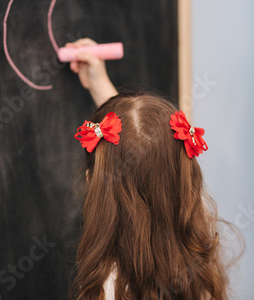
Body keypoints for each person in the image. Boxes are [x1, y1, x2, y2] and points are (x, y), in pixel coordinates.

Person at [66, 39, 234, 300]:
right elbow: (147, 157)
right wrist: (99, 85)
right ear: (185, 179)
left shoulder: (109, 288)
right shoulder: (197, 273)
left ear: (92, 182)